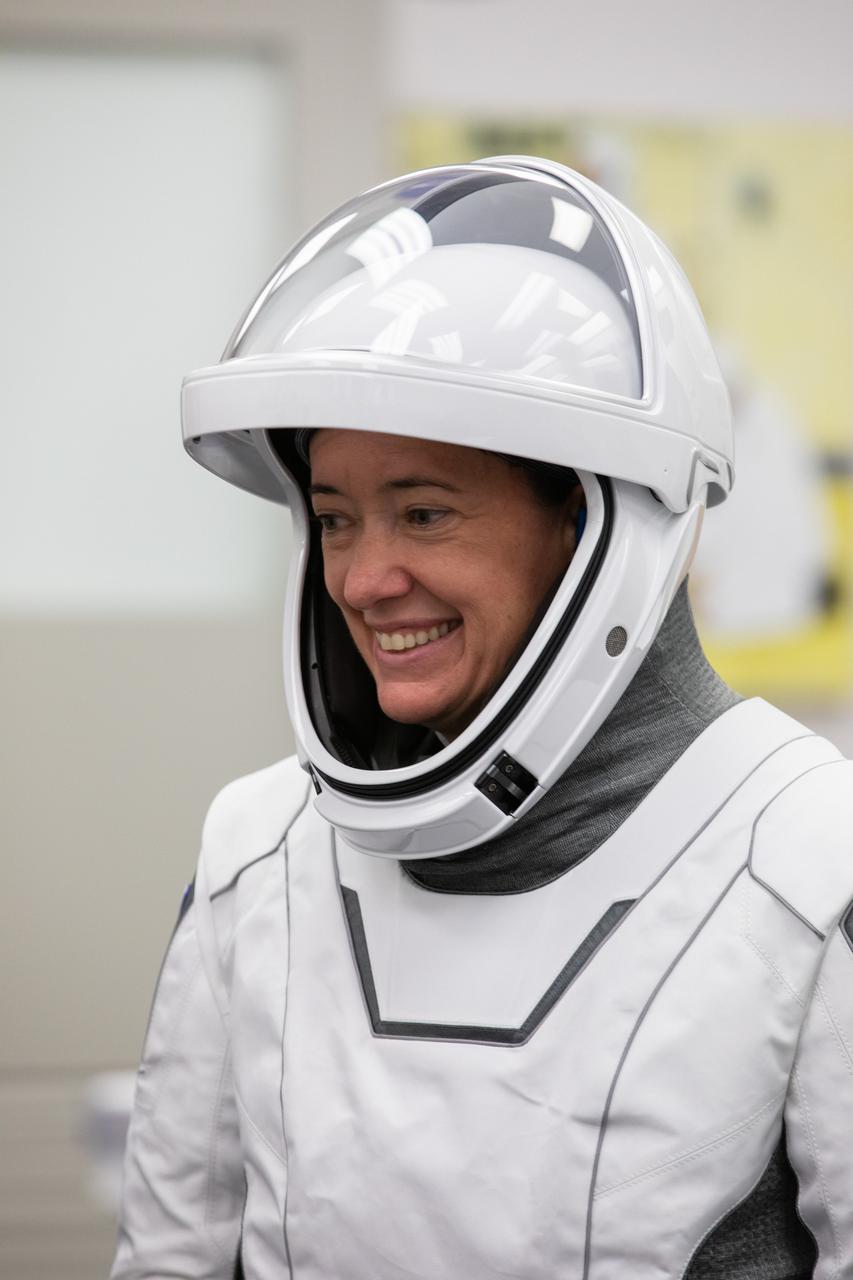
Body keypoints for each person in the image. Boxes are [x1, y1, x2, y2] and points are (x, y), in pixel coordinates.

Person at [111, 158, 853, 1280]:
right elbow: (170, 1257)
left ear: (593, 521)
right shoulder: (254, 853)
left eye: (423, 510)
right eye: (336, 519)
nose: (361, 580)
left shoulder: (808, 858)